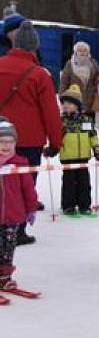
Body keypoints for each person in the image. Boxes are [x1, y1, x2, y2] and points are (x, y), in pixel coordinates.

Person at [0, 20, 63, 245]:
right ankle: (17, 231)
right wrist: (56, 142)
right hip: (28, 141)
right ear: (34, 47)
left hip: (0, 137)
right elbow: (50, 113)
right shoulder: (40, 75)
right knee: (24, 185)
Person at [0, 117, 39, 297]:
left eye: (10, 142)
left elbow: (28, 189)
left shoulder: (20, 164)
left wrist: (31, 208)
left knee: (8, 247)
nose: (6, 146)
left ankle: (5, 278)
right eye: (1, 142)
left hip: (13, 216)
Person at [58, 84, 99, 218]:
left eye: (69, 103)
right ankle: (68, 206)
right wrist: (52, 148)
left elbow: (92, 135)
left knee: (84, 182)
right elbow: (56, 137)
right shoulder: (61, 121)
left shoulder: (86, 120)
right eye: (64, 103)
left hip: (83, 157)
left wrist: (96, 148)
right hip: (68, 157)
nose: (66, 106)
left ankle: (84, 205)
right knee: (69, 183)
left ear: (77, 105)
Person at [59, 41, 99, 112]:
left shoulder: (93, 63)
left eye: (85, 50)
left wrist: (98, 78)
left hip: (91, 102)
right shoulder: (69, 64)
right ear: (75, 52)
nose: (82, 52)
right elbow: (63, 83)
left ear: (88, 52)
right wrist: (62, 99)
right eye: (79, 50)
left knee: (90, 122)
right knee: (75, 122)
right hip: (74, 103)